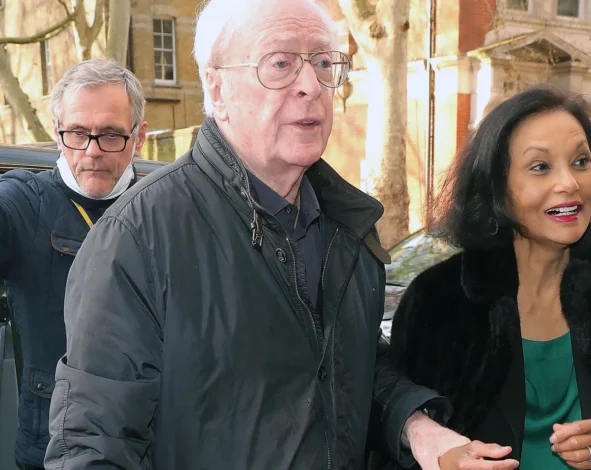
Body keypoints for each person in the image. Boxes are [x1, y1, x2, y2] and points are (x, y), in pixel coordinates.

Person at [44, 1, 520, 469]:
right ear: (217, 86)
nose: (311, 86)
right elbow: (93, 446)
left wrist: (419, 429)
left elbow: (348, 371)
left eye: (322, 63)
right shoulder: (136, 239)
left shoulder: (347, 228)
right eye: (281, 64)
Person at [370, 86, 591, 470]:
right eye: (540, 167)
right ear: (496, 187)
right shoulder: (438, 301)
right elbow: (397, 446)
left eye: (581, 161)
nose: (569, 182)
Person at [0, 58, 147, 470]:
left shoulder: (166, 207)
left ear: (140, 136)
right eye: (78, 133)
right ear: (57, 130)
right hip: (52, 450)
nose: (93, 151)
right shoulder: (24, 203)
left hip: (151, 444)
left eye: (112, 135)